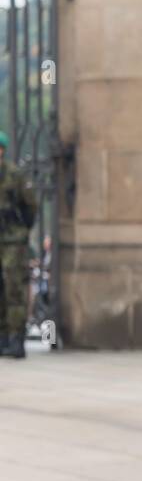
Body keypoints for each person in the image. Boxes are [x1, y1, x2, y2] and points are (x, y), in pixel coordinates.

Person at [0, 131, 37, 359]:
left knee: (14, 289)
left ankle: (16, 339)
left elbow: (30, 207)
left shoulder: (15, 175)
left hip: (13, 241)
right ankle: (2, 337)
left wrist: (21, 231)